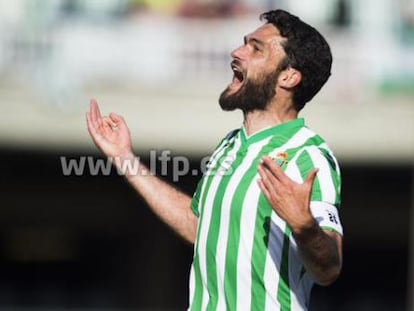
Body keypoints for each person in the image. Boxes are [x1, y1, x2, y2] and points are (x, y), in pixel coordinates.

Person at [86, 9, 343, 311]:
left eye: (255, 48)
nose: (237, 52)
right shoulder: (230, 145)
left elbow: (329, 268)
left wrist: (304, 225)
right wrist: (124, 159)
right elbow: (202, 227)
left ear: (288, 76)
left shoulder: (309, 155)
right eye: (244, 43)